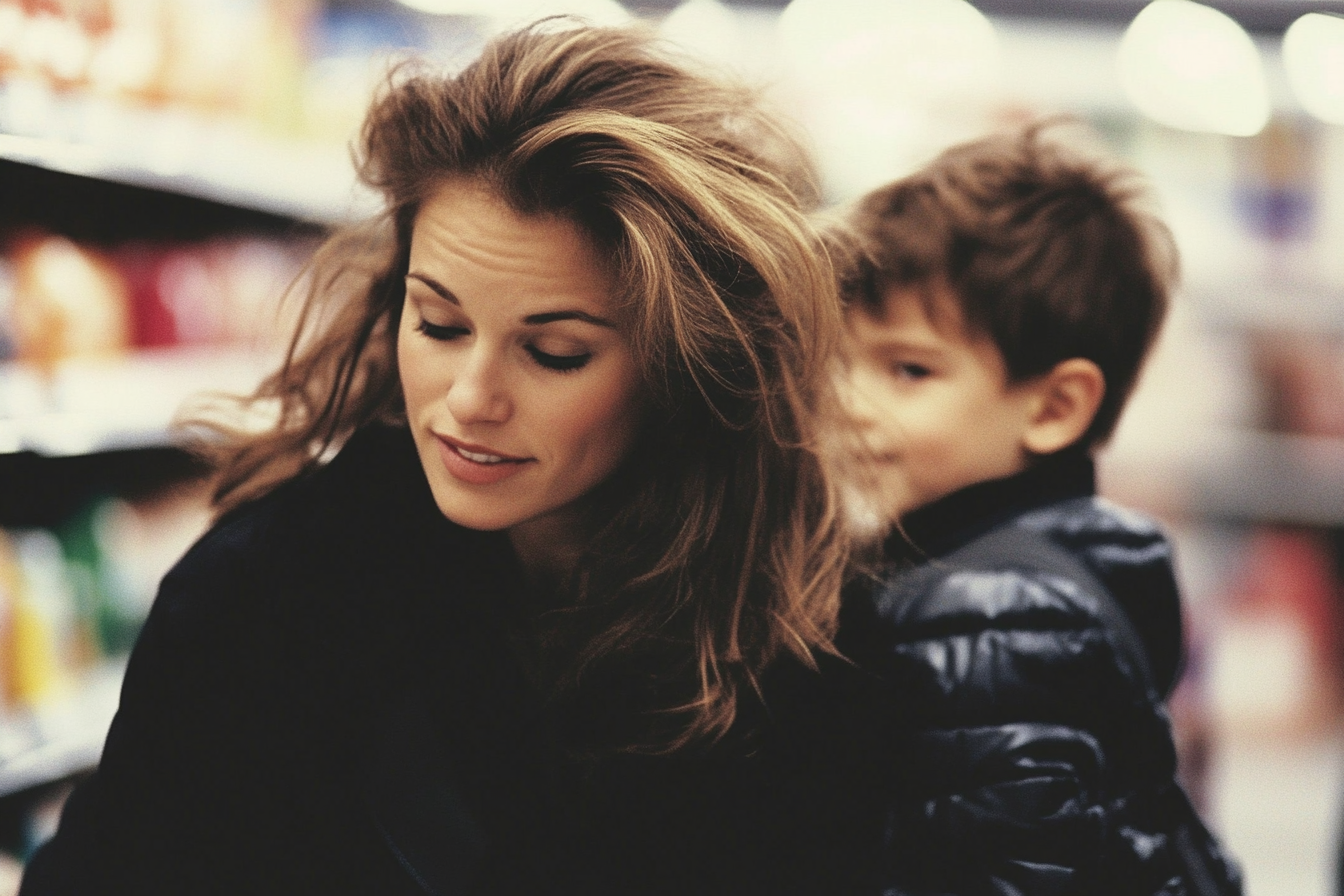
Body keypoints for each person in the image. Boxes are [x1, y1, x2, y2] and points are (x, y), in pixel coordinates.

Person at [19, 22, 885, 896]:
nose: (470, 398)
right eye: (438, 323)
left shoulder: (809, 639)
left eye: (554, 353)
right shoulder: (264, 599)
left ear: (691, 364)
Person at [833, 122, 1244, 895]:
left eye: (909, 370)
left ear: (1056, 406)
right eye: (836, 360)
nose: (844, 402)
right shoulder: (1047, 575)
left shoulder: (988, 612)